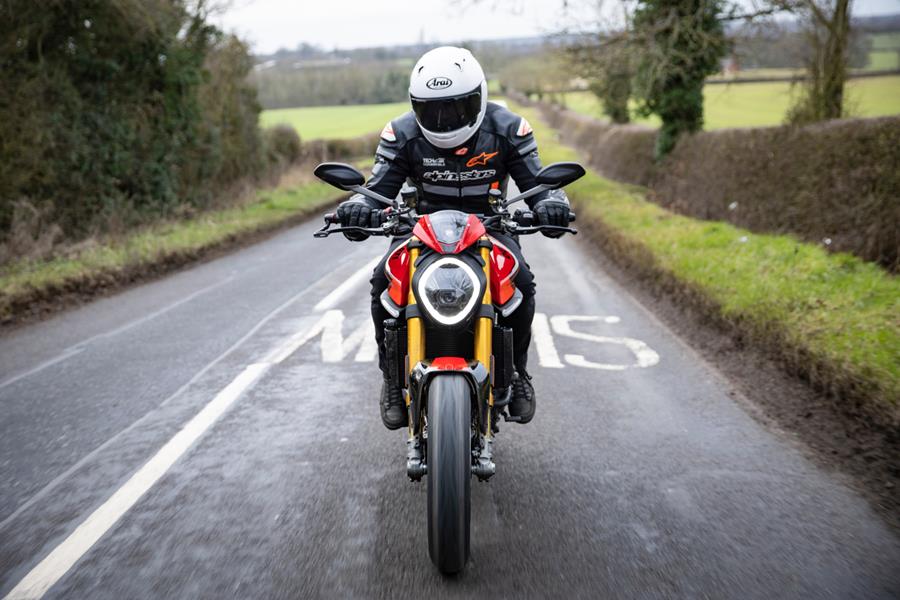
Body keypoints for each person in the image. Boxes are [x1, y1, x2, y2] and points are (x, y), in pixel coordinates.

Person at [334, 46, 573, 430]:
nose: (443, 119)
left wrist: (554, 203)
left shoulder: (510, 128)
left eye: (455, 107)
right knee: (383, 281)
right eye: (432, 110)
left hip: (490, 227)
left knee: (522, 283)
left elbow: (538, 184)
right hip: (420, 228)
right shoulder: (401, 133)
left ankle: (517, 374)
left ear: (478, 97)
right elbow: (377, 187)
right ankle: (392, 381)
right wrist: (358, 207)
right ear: (416, 106)